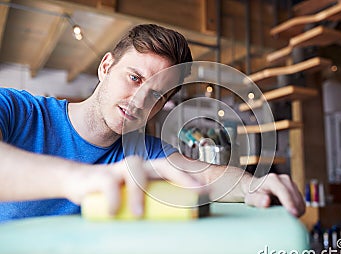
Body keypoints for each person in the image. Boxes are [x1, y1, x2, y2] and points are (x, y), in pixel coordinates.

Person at [0, 24, 304, 222]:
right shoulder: (17, 109)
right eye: (134, 78)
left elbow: (204, 174)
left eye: (156, 93)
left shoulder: (146, 151)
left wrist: (255, 185)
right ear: (106, 67)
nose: (140, 100)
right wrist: (78, 179)